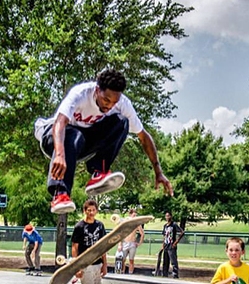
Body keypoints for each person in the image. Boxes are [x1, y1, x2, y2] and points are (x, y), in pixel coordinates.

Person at [34, 69, 173, 214]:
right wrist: (60, 155)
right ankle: (60, 193)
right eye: (106, 100)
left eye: (114, 102)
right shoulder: (80, 93)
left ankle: (99, 172)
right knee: (73, 133)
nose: (109, 106)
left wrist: (158, 171)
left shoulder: (123, 104)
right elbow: (60, 123)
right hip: (52, 136)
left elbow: (144, 137)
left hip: (81, 145)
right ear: (97, 90)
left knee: (122, 121)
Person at [73, 199, 108, 284]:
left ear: (96, 211)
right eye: (89, 210)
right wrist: (77, 267)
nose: (91, 213)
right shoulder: (79, 227)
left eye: (93, 210)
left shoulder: (100, 226)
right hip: (85, 265)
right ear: (84, 211)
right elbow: (75, 248)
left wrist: (105, 265)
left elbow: (103, 246)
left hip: (98, 264)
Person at [116, 208, 144, 274]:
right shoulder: (125, 222)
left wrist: (139, 243)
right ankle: (122, 273)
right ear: (130, 215)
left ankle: (130, 274)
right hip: (125, 242)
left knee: (131, 260)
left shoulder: (137, 224)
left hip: (132, 243)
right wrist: (120, 244)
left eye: (135, 215)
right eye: (133, 215)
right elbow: (120, 233)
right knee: (123, 259)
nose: (134, 217)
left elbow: (142, 234)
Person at [162, 211, 184, 278]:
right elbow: (164, 235)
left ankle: (175, 274)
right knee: (165, 261)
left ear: (171, 216)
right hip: (166, 244)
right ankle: (165, 274)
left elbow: (182, 232)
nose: (167, 217)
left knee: (173, 260)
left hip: (171, 245)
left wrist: (176, 242)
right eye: (166, 216)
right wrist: (163, 244)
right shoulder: (165, 226)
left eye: (168, 216)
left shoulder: (174, 224)